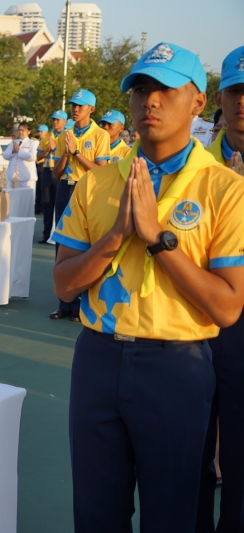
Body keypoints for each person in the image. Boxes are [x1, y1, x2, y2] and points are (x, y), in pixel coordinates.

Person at [52, 42, 244, 533]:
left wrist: (158, 238)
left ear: (199, 102)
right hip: (97, 360)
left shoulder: (223, 188)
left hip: (176, 365)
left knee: (173, 515)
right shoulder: (96, 184)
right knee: (95, 513)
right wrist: (116, 235)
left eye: (164, 89)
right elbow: (64, 285)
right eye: (140, 89)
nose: (149, 101)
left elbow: (226, 307)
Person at [197, 45, 244, 533]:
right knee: (190, 457)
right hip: (193, 324)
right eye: (235, 91)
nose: (243, 101)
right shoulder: (197, 163)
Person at [50, 89, 110, 322]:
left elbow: (101, 171)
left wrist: (76, 153)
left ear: (91, 110)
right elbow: (56, 173)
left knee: (87, 244)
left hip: (89, 191)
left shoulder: (100, 135)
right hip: (66, 188)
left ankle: (82, 304)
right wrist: (66, 154)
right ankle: (64, 303)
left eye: (81, 106)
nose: (75, 109)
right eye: (73, 105)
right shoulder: (64, 134)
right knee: (62, 243)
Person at [37, 110, 68, 243]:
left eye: (58, 119)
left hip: (59, 173)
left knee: (59, 203)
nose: (55, 122)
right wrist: (48, 150)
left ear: (65, 122)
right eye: (53, 119)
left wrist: (55, 149)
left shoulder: (67, 135)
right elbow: (38, 157)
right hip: (47, 172)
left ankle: (58, 235)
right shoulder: (46, 137)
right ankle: (46, 234)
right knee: (47, 203)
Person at [3, 121, 38, 189]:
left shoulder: (33, 142)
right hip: (13, 178)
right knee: (12, 198)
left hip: (27, 179)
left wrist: (19, 151)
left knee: (27, 199)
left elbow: (33, 157)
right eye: (19, 130)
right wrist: (13, 151)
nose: (20, 132)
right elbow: (5, 155)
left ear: (29, 131)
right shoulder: (14, 142)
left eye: (23, 130)